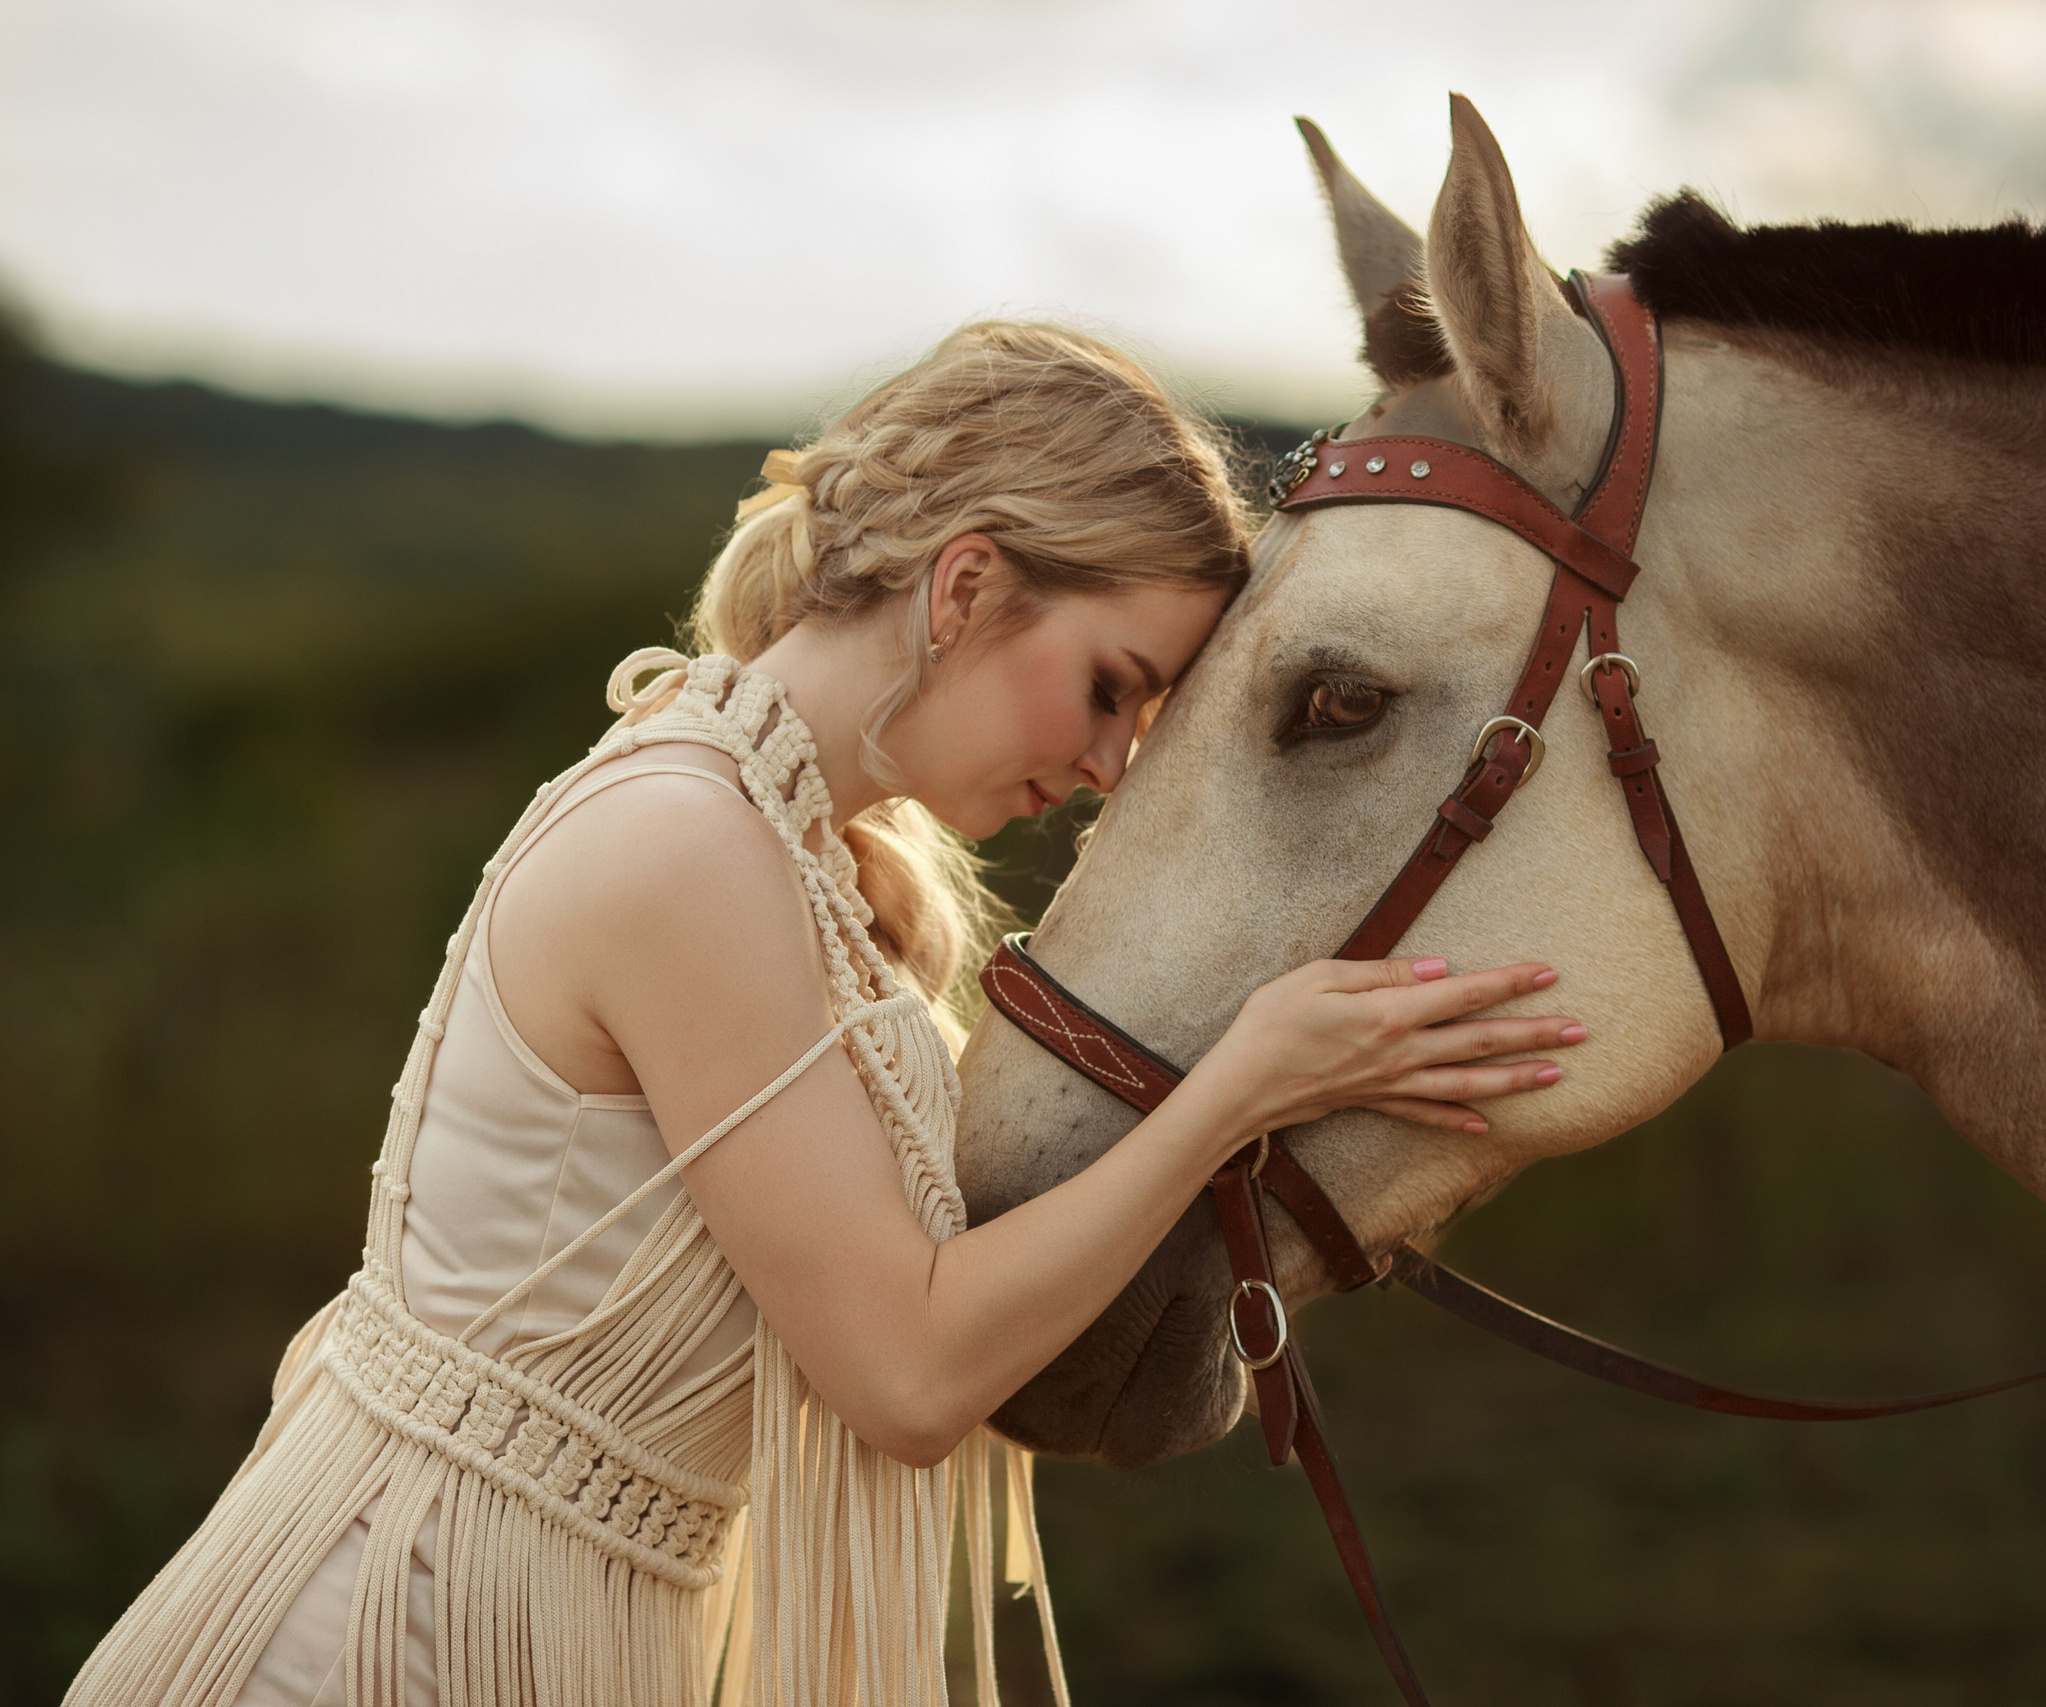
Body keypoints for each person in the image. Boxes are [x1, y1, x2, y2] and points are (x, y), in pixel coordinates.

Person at [67, 321, 1586, 1707]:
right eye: (1112, 687)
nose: (1115, 763)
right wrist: (1232, 1091)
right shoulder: (689, 846)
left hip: (559, 1625)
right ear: (968, 585)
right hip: (401, 1634)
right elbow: (907, 1375)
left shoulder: (790, 856)